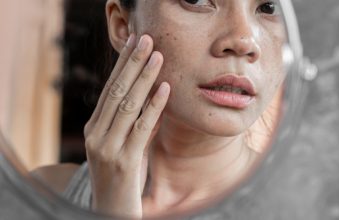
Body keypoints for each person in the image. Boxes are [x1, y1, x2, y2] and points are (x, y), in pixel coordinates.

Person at [33, 0, 285, 218]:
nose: (243, 41)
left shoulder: (312, 207)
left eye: (269, 7)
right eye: (195, 0)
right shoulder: (40, 195)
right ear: (123, 26)